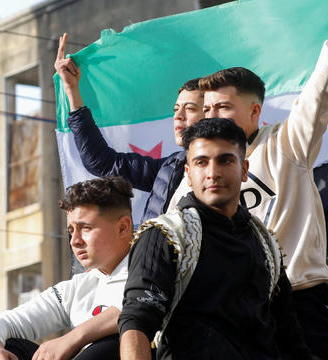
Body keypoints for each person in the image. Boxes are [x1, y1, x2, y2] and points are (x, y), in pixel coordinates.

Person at [191, 1, 328, 358]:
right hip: (240, 314)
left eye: (223, 107)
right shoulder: (196, 175)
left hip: (302, 300)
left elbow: (322, 91)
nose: (212, 116)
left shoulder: (284, 145)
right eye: (208, 109)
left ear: (254, 111)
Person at [118, 118, 312, 360]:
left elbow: (289, 338)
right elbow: (136, 323)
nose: (213, 173)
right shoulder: (165, 235)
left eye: (225, 160)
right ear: (188, 174)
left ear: (244, 170)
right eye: (201, 162)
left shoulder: (266, 244)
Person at [0, 176, 134, 360]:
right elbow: (0, 323)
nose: (75, 241)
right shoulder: (78, 287)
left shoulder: (153, 272)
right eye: (71, 231)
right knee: (8, 345)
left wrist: (74, 339)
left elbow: (138, 306)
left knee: (114, 341)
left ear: (123, 227)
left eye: (86, 228)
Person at [54, 35, 204, 223]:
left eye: (189, 108)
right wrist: (72, 90)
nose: (178, 116)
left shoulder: (239, 165)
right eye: (176, 109)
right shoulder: (170, 169)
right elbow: (101, 162)